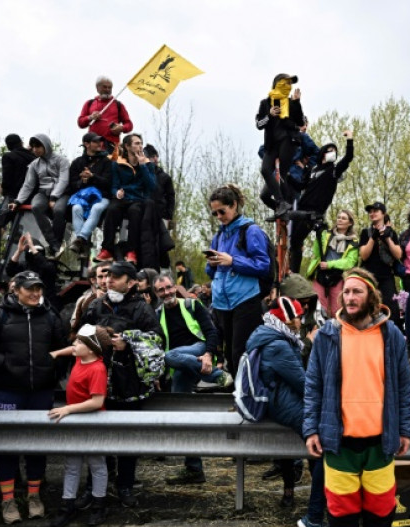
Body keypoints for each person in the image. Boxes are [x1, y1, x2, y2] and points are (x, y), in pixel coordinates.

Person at [303, 268, 410, 527]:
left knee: (380, 517)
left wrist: (404, 429)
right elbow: (313, 385)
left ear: (372, 297)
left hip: (380, 444)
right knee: (342, 519)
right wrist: (310, 430)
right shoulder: (328, 335)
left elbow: (404, 386)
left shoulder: (391, 335)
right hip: (339, 445)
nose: (350, 298)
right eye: (346, 292)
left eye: (357, 292)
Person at [0, 270, 67, 524]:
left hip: (41, 391)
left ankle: (34, 496)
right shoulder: (0, 315)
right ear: (16, 290)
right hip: (7, 390)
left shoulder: (49, 315)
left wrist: (51, 369)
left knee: (37, 445)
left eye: (39, 288)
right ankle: (8, 500)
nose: (36, 293)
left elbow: (62, 347)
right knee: (6, 446)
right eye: (30, 289)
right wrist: (5, 365)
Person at [79, 260, 162, 508]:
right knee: (98, 439)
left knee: (127, 438)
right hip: (98, 384)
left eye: (114, 278)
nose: (108, 281)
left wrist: (128, 341)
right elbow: (78, 335)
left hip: (129, 384)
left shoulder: (141, 308)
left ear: (130, 282)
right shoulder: (95, 305)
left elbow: (158, 340)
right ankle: (95, 486)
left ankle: (125, 485)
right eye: (107, 277)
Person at [246, 297, 311, 508]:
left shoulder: (269, 333)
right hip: (280, 402)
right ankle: (322, 499)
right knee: (318, 433)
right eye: (298, 316)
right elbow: (301, 381)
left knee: (287, 446)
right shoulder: (279, 344)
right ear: (288, 318)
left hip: (275, 398)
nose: (301, 320)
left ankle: (288, 492)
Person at [47, 324, 112, 527]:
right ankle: (68, 505)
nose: (73, 345)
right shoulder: (81, 357)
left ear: (91, 348)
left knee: (97, 465)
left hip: (92, 423)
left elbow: (96, 402)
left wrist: (68, 409)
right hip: (77, 422)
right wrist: (57, 352)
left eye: (78, 342)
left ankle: (98, 505)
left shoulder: (97, 369)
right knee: (72, 464)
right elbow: (73, 350)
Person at [205, 185, 270, 376]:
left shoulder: (251, 230)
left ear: (234, 205)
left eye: (222, 211)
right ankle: (237, 395)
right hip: (222, 303)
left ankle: (246, 397)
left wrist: (232, 261)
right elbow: (211, 272)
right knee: (229, 354)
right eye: (215, 213)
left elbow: (263, 266)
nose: (219, 217)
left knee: (241, 352)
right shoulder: (219, 235)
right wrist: (212, 263)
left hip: (245, 300)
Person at [154, 273, 230, 401]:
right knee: (177, 395)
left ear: (175, 288)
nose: (166, 292)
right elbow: (156, 345)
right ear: (156, 293)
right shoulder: (157, 314)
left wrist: (208, 354)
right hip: (179, 361)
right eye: (161, 290)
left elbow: (211, 331)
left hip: (199, 348)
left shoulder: (192, 305)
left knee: (168, 356)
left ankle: (217, 376)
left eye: (169, 287)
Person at [287, 131, 355, 272]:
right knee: (293, 243)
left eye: (335, 152)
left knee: (297, 240)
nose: (333, 153)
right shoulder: (312, 169)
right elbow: (300, 186)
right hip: (301, 208)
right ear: (323, 153)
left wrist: (350, 138)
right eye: (330, 150)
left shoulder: (334, 171)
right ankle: (292, 271)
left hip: (314, 212)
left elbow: (348, 157)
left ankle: (295, 274)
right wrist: (287, 176)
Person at [97, 133, 157, 265]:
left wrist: (142, 166)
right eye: (136, 143)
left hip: (138, 199)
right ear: (127, 146)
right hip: (122, 198)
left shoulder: (148, 164)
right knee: (111, 209)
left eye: (141, 143)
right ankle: (107, 249)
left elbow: (152, 186)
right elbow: (114, 186)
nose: (140, 146)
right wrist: (117, 192)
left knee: (135, 212)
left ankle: (131, 251)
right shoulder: (117, 163)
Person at [10, 134, 72, 257]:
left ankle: (58, 243)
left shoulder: (62, 161)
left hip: (62, 193)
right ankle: (53, 243)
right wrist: (18, 201)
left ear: (46, 145)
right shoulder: (34, 165)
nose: (35, 150)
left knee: (59, 210)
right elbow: (28, 185)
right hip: (43, 192)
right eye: (33, 147)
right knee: (36, 207)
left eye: (38, 146)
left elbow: (64, 180)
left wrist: (54, 197)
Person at [256, 73, 305, 219]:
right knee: (265, 170)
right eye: (286, 83)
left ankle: (284, 208)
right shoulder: (265, 103)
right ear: (277, 83)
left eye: (291, 84)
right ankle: (280, 204)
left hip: (288, 141)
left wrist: (296, 103)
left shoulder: (290, 102)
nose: (289, 86)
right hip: (271, 144)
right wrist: (269, 115)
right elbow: (259, 125)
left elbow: (301, 122)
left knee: (282, 173)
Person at [307, 209, 359, 317]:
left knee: (337, 310)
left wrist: (330, 264)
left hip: (337, 276)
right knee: (319, 308)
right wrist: (318, 237)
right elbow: (317, 253)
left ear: (350, 223)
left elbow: (349, 262)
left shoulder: (353, 242)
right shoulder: (327, 235)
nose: (340, 220)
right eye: (339, 217)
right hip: (321, 274)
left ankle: (336, 331)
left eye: (343, 218)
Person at [67, 132, 112, 254]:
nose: (100, 144)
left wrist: (92, 177)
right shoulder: (77, 163)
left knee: (97, 208)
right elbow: (72, 185)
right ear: (86, 144)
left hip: (102, 196)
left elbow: (108, 183)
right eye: (96, 141)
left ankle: (80, 239)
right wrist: (83, 181)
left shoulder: (106, 161)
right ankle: (83, 242)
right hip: (82, 196)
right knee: (76, 208)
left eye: (100, 141)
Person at [358, 202, 403, 321]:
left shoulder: (391, 232)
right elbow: (363, 256)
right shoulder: (365, 233)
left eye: (375, 211)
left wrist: (387, 238)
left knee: (392, 309)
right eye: (370, 212)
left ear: (383, 213)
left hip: (386, 276)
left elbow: (398, 254)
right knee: (368, 308)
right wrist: (372, 238)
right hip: (368, 277)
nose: (372, 214)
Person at [77, 76, 133, 148]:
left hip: (111, 146)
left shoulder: (118, 105)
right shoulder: (89, 103)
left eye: (110, 87)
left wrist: (122, 128)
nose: (107, 90)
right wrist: (90, 117)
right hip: (92, 146)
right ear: (97, 88)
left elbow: (129, 124)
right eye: (105, 87)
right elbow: (80, 123)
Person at [0, 134, 35, 203]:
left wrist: (3, 191)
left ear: (8, 146)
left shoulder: (8, 157)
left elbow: (7, 180)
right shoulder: (33, 157)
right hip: (33, 196)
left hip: (15, 197)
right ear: (21, 143)